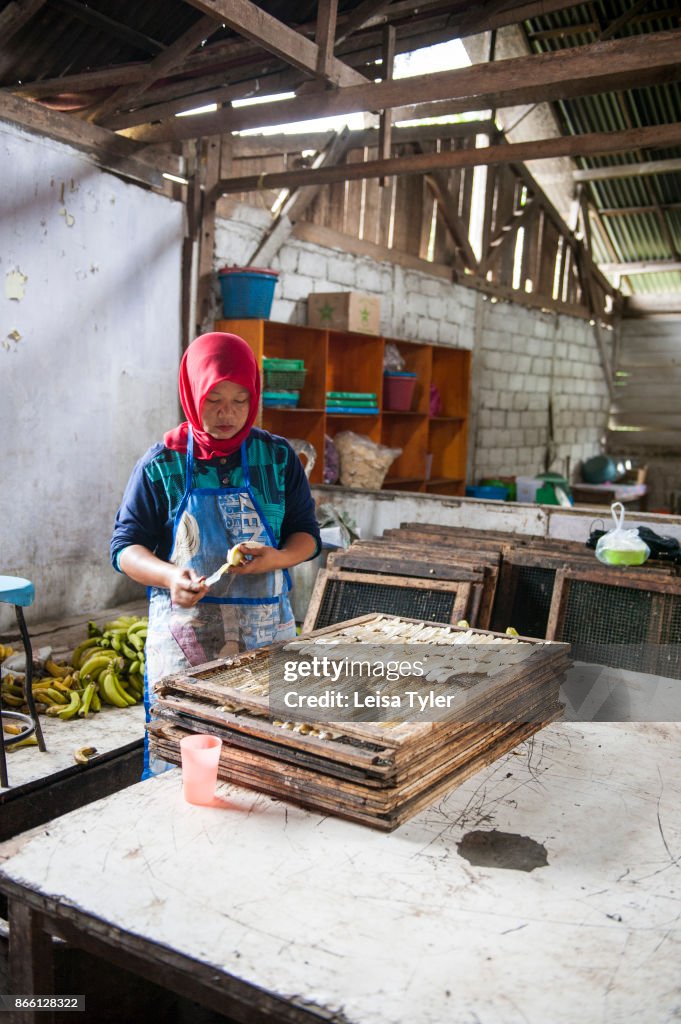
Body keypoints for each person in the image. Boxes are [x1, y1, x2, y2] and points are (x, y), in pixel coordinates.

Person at [111, 331, 320, 776]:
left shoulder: (278, 458)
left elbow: (306, 534)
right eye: (214, 399)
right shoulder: (161, 462)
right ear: (191, 393)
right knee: (183, 757)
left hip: (265, 640)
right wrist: (170, 577)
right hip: (185, 641)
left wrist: (277, 558)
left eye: (240, 401)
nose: (227, 414)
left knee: (262, 757)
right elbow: (126, 548)